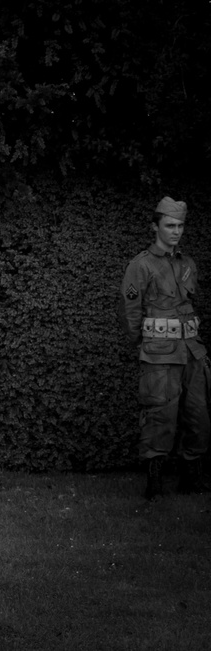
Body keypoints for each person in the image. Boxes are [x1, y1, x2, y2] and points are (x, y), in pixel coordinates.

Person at [119, 196, 210, 498]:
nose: (176, 231)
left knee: (198, 416)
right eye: (170, 225)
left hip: (193, 352)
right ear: (154, 227)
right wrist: (143, 344)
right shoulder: (141, 265)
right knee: (160, 416)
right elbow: (130, 312)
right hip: (159, 355)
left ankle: (191, 478)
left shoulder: (187, 264)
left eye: (181, 225)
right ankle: (154, 483)